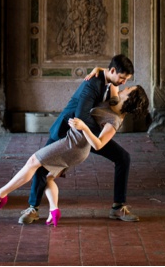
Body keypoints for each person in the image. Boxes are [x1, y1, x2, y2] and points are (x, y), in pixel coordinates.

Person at [0, 82, 149, 227]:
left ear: (130, 99)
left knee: (34, 162)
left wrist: (84, 127)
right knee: (47, 175)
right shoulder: (114, 99)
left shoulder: (115, 120)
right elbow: (109, 79)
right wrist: (99, 71)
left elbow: (99, 144)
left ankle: (0, 196)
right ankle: (53, 210)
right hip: (72, 139)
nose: (123, 87)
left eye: (128, 89)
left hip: (74, 145)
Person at [20, 54, 144, 224]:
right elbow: (81, 115)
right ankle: (33, 208)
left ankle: (118, 207)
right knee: (41, 166)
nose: (124, 84)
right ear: (113, 71)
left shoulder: (113, 88)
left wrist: (100, 69)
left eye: (126, 82)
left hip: (91, 135)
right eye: (122, 79)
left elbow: (109, 75)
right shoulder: (94, 83)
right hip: (70, 129)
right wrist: (100, 70)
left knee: (123, 157)